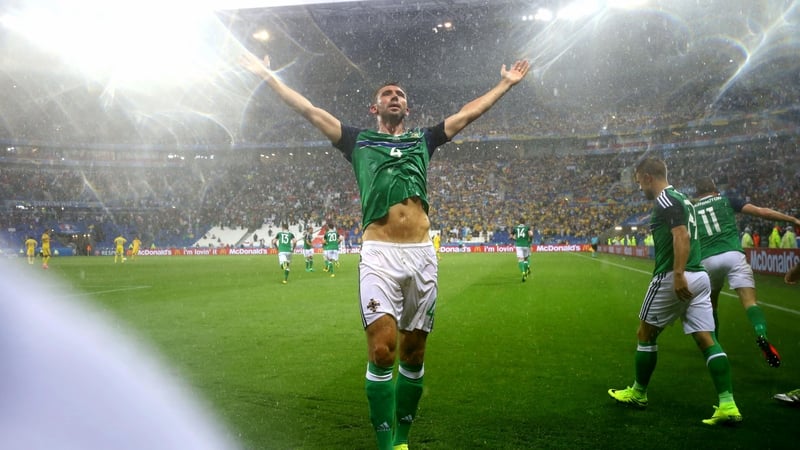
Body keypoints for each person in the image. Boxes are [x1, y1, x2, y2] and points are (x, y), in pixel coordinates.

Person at [240, 49, 529, 449]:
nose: (395, 96)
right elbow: (307, 108)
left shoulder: (423, 140)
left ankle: (403, 439)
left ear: (407, 107)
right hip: (379, 255)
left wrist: (504, 84)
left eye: (401, 94)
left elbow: (469, 113)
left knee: (413, 355)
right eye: (388, 93)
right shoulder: (357, 140)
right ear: (374, 106)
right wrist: (266, 76)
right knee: (381, 352)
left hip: (422, 256)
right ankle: (385, 444)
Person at [608, 158, 742, 426]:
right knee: (706, 338)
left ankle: (638, 393)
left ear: (648, 177)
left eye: (638, 182)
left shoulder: (665, 200)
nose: (639, 189)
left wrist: (679, 273)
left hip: (674, 275)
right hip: (700, 275)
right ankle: (728, 404)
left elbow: (681, 235)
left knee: (645, 333)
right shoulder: (683, 198)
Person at [693, 176, 799, 367]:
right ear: (715, 189)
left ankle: (714, 347)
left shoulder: (691, 209)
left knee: (712, 305)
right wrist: (791, 219)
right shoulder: (726, 200)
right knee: (750, 302)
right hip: (733, 254)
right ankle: (760, 333)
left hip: (707, 258)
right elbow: (761, 212)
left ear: (697, 193)